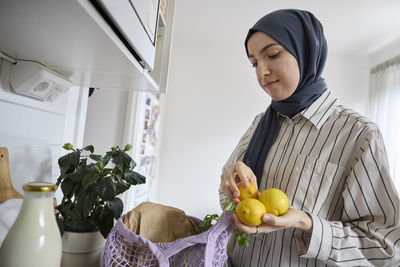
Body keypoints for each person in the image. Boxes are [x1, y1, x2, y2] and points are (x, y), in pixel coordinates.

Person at [219, 9, 400, 266]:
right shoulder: (260, 124)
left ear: (307, 52)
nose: (261, 73)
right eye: (254, 63)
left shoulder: (359, 135)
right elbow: (229, 202)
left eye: (272, 55)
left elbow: (387, 247)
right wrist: (229, 184)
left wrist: (307, 223)